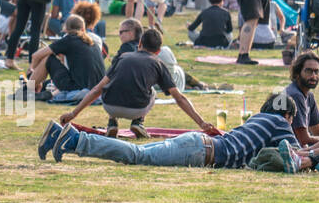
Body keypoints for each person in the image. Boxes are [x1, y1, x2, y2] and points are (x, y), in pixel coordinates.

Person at [42, 93, 285, 168]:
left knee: (135, 152)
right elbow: (297, 154)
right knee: (137, 156)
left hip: (197, 144)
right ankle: (75, 140)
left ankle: (58, 135)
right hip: (200, 152)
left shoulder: (258, 119)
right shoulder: (280, 123)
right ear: (288, 116)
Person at [55, 28, 210, 139]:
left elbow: (97, 89)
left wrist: (73, 114)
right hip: (137, 108)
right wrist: (201, 122)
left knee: (112, 86)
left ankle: (112, 122)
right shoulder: (158, 63)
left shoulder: (122, 57)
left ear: (139, 44)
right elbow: (179, 98)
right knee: (153, 93)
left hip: (109, 105)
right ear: (158, 51)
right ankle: (138, 122)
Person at [21, 14, 106, 100]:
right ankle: (41, 89)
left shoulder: (69, 39)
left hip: (78, 88)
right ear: (83, 29)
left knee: (48, 59)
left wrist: (31, 70)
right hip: (99, 88)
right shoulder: (93, 42)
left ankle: (27, 89)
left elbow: (36, 56)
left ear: (66, 29)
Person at [282, 51, 319, 145]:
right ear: (297, 73)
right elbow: (304, 139)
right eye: (308, 71)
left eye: (316, 71)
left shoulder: (309, 96)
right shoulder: (295, 95)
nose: (313, 76)